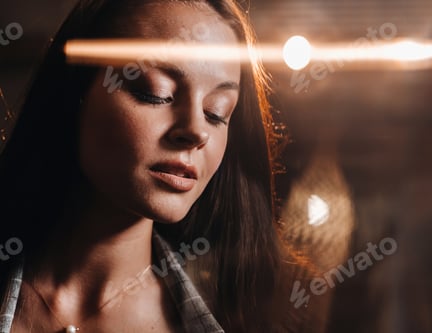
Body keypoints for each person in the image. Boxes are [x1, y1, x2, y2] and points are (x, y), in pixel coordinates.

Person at [0, 0, 329, 332]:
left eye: (216, 112)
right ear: (75, 94)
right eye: (154, 93)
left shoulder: (249, 318)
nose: (196, 131)